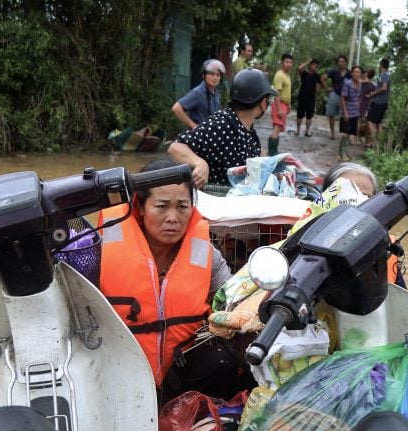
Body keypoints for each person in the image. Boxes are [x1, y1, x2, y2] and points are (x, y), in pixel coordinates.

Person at [97, 159, 248, 405]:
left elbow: (231, 298)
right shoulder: (102, 248)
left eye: (182, 207)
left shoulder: (203, 253)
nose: (173, 218)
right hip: (120, 362)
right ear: (141, 207)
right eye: (162, 206)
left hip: (179, 363)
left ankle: (194, 427)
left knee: (222, 361)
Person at [168, 68, 277, 188]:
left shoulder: (249, 132)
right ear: (262, 102)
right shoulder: (222, 125)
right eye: (269, 100)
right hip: (212, 201)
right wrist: (200, 163)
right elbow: (175, 147)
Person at [171, 59, 226, 130]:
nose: (215, 77)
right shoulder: (198, 92)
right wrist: (192, 125)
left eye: (218, 75)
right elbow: (176, 108)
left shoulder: (217, 93)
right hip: (199, 136)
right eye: (211, 74)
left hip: (211, 135)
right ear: (204, 75)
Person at [268, 53, 294, 157]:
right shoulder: (279, 75)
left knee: (278, 128)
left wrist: (289, 104)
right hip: (279, 104)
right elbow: (276, 93)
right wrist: (279, 109)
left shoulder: (287, 75)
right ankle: (272, 152)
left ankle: (274, 151)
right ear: (282, 62)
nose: (289, 64)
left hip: (284, 104)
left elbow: (287, 91)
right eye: (286, 62)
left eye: (291, 62)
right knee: (277, 127)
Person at [320, 55, 349, 140]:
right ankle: (332, 133)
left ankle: (343, 134)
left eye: (342, 61)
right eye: (339, 61)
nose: (340, 63)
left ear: (345, 63)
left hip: (345, 97)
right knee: (331, 114)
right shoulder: (333, 72)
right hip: (334, 94)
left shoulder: (349, 73)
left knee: (343, 116)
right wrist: (327, 88)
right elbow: (322, 78)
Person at [338, 65, 364, 159]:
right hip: (347, 112)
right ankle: (341, 152)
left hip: (355, 113)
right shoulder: (348, 84)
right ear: (352, 73)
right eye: (355, 72)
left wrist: (358, 103)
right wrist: (345, 112)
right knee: (345, 133)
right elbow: (342, 98)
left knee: (350, 133)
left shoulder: (360, 84)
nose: (357, 74)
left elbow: (359, 96)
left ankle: (344, 152)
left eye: (359, 72)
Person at [365, 58, 391, 145]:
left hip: (378, 102)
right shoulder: (388, 74)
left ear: (381, 65)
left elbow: (384, 88)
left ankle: (374, 141)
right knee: (379, 123)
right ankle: (379, 143)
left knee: (369, 120)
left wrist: (372, 94)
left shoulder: (384, 74)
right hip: (384, 102)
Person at [295, 58, 321, 137]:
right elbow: (299, 68)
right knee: (299, 115)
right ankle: (298, 130)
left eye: (317, 67)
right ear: (311, 65)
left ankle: (307, 131)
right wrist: (307, 62)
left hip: (311, 99)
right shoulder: (304, 74)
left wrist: (318, 90)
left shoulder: (317, 76)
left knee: (309, 116)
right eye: (315, 66)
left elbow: (322, 83)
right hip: (302, 97)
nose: (316, 68)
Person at [359, 68, 375, 144]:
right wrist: (370, 95)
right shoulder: (372, 84)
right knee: (366, 123)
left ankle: (357, 138)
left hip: (363, 104)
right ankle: (367, 140)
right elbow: (375, 94)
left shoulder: (361, 82)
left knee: (360, 121)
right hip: (367, 105)